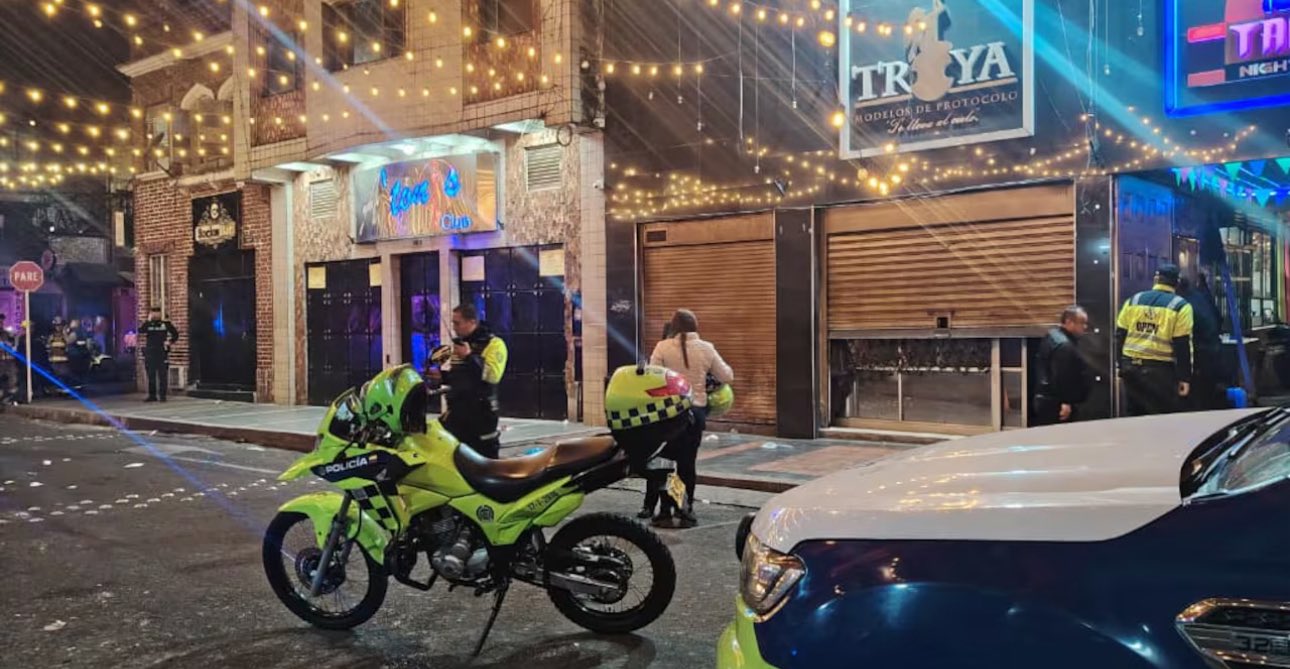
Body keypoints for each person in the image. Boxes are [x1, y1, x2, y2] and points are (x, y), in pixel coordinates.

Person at [648, 309, 734, 528]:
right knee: (687, 464)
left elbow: (652, 377)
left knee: (665, 463)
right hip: (695, 414)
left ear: (674, 327)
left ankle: (665, 511)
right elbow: (727, 376)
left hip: (668, 414)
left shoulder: (662, 347)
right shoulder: (706, 348)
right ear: (695, 326)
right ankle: (686, 511)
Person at [1116, 263, 1195, 416]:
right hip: (1160, 372)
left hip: (1131, 368)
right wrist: (1184, 378)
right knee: (1159, 417)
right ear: (1177, 283)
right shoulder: (1181, 306)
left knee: (1133, 416)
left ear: (1156, 279)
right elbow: (1182, 344)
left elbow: (1119, 335)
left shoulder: (1133, 300)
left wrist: (1120, 365)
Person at [433, 304, 508, 458]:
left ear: (472, 322)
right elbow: (462, 377)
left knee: (484, 461)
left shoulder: (494, 344)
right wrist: (443, 377)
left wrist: (469, 356)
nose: (454, 328)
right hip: (457, 415)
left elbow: (492, 376)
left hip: (481, 417)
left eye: (457, 323)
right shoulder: (461, 345)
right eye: (453, 323)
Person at [1033, 306, 1091, 426]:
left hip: (1045, 399)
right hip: (1057, 404)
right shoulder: (1065, 346)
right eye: (1082, 323)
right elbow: (1063, 377)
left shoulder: (1052, 336)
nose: (1085, 327)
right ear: (1069, 322)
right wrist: (1066, 402)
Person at [1178, 274, 1225, 410]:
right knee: (1208, 397)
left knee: (1197, 401)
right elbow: (1219, 318)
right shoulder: (1201, 296)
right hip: (1215, 352)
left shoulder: (1183, 305)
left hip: (1201, 356)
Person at [140, 306, 179, 402]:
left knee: (162, 374)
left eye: (157, 312)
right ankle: (152, 395)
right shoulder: (149, 324)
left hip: (161, 352)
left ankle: (162, 395)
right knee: (151, 374)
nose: (155, 314)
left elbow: (175, 334)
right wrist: (148, 320)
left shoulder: (165, 323)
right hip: (150, 351)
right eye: (153, 312)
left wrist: (169, 342)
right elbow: (141, 330)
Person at [0, 313, 17, 403]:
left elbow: (13, 345)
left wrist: (9, 343)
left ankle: (9, 396)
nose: (1, 323)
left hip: (7, 361)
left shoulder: (7, 333)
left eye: (1, 322)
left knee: (10, 379)